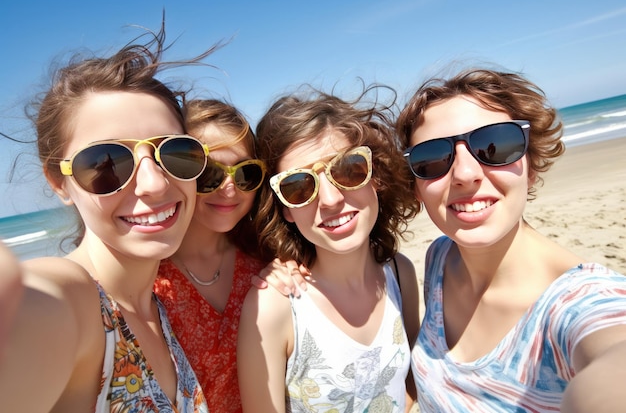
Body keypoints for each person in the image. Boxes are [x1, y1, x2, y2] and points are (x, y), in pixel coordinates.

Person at [0, 25, 222, 412]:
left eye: (175, 152)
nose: (154, 183)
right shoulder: (75, 304)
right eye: (107, 163)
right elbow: (32, 309)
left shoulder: (158, 309)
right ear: (59, 182)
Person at [396, 67, 626, 412]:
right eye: (432, 158)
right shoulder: (440, 258)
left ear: (531, 166)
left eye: (495, 145)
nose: (465, 174)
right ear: (416, 186)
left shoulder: (581, 303)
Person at [237, 86, 421, 413]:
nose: (332, 199)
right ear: (285, 210)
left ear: (375, 175)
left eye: (348, 169)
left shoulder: (401, 273)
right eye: (299, 186)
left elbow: (410, 386)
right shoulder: (274, 306)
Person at [154, 98, 270, 413]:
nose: (230, 187)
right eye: (208, 175)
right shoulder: (146, 279)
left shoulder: (267, 259)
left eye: (245, 173)